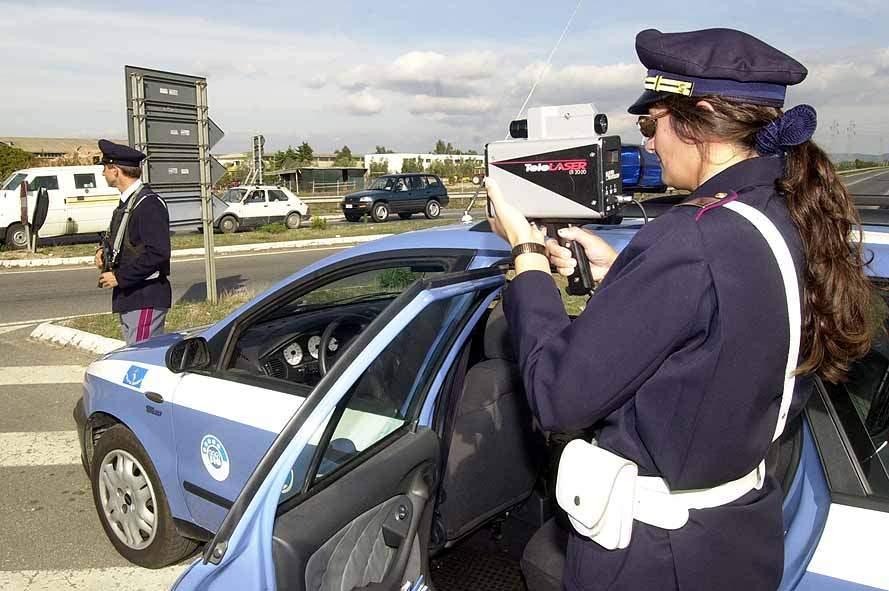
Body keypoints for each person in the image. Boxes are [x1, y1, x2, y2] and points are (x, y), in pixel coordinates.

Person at [487, 28, 872, 591]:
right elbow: (724, 320)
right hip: (734, 536)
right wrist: (619, 274)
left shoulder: (688, 239)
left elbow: (557, 397)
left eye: (651, 123)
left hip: (657, 556)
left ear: (702, 117)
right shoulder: (777, 215)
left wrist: (527, 262)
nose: (646, 144)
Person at [94, 140, 172, 345]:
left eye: (105, 168)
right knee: (137, 358)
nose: (103, 173)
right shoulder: (129, 201)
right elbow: (128, 242)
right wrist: (103, 253)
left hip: (145, 296)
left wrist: (120, 277)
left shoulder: (149, 204)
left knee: (142, 362)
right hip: (130, 297)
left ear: (116, 170)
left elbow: (158, 253)